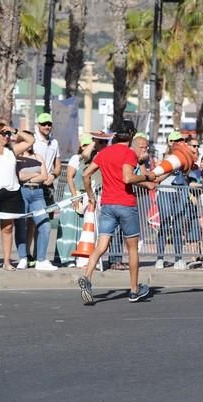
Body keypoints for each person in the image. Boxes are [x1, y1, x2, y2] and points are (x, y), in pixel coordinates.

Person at [76, 120, 157, 304]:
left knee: (101, 246)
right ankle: (134, 290)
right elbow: (128, 178)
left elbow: (85, 174)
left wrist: (90, 195)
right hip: (126, 204)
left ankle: (87, 277)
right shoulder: (128, 153)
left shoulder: (104, 152)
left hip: (107, 205)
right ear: (130, 135)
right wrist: (146, 177)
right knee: (132, 249)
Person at [0, 123, 35, 271]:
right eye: (3, 133)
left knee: (8, 228)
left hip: (11, 194)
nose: (6, 136)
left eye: (7, 134)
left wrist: (14, 130)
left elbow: (30, 141)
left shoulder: (12, 150)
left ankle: (6, 262)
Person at [14, 131, 57, 271]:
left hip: (38, 193)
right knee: (21, 226)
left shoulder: (38, 156)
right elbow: (20, 177)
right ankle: (23, 258)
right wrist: (35, 174)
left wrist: (29, 176)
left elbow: (44, 176)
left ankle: (41, 260)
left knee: (44, 225)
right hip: (22, 193)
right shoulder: (16, 158)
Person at [56, 134, 96, 267]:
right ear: (81, 146)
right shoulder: (76, 158)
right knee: (69, 228)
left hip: (84, 196)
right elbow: (69, 176)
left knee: (81, 228)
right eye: (85, 145)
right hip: (72, 194)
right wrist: (74, 197)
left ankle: (79, 257)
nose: (87, 148)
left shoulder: (93, 161)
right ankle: (65, 258)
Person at [33, 113, 61, 211]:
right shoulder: (33, 140)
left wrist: (53, 176)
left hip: (48, 185)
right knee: (32, 219)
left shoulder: (54, 142)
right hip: (34, 184)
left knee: (48, 216)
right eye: (44, 124)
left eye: (49, 124)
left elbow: (58, 165)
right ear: (38, 125)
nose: (47, 127)